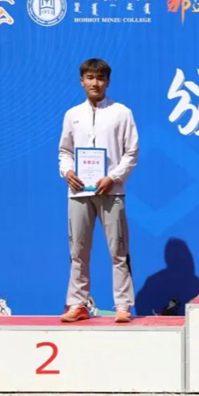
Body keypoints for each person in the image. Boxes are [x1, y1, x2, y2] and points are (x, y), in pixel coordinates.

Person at [58, 58, 139, 323]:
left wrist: (113, 177)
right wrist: (67, 171)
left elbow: (132, 152)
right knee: (78, 252)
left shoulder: (122, 112)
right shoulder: (72, 115)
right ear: (81, 81)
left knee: (118, 251)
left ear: (108, 82)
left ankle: (123, 306)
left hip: (111, 192)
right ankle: (77, 304)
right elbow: (65, 152)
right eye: (90, 78)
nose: (95, 83)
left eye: (100, 78)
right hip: (79, 192)